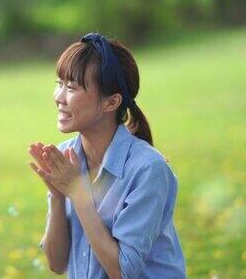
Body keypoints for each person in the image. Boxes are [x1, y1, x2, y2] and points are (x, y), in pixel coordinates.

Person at [28, 33, 186, 278]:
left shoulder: (147, 169)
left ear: (111, 102)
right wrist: (58, 196)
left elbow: (122, 271)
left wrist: (78, 193)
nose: (59, 97)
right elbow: (57, 264)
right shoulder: (67, 156)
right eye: (59, 83)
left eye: (71, 87)